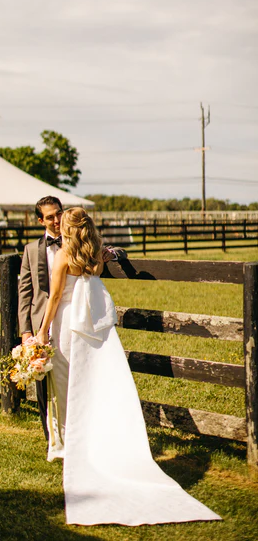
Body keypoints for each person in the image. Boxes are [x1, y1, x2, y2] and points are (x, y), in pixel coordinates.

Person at [33, 207, 221, 526]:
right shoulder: (94, 257)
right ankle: (86, 441)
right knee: (94, 384)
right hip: (94, 326)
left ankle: (71, 445)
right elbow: (93, 272)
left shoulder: (64, 256)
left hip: (68, 325)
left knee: (69, 386)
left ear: (66, 229)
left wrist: (41, 330)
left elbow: (52, 299)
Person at [18, 196, 125, 440]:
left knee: (73, 376)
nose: (56, 220)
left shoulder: (84, 248)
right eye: (50, 217)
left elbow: (108, 257)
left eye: (59, 213)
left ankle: (77, 434)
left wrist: (110, 254)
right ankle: (53, 436)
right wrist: (28, 330)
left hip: (75, 320)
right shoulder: (31, 250)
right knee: (47, 383)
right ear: (40, 221)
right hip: (44, 321)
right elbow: (25, 292)